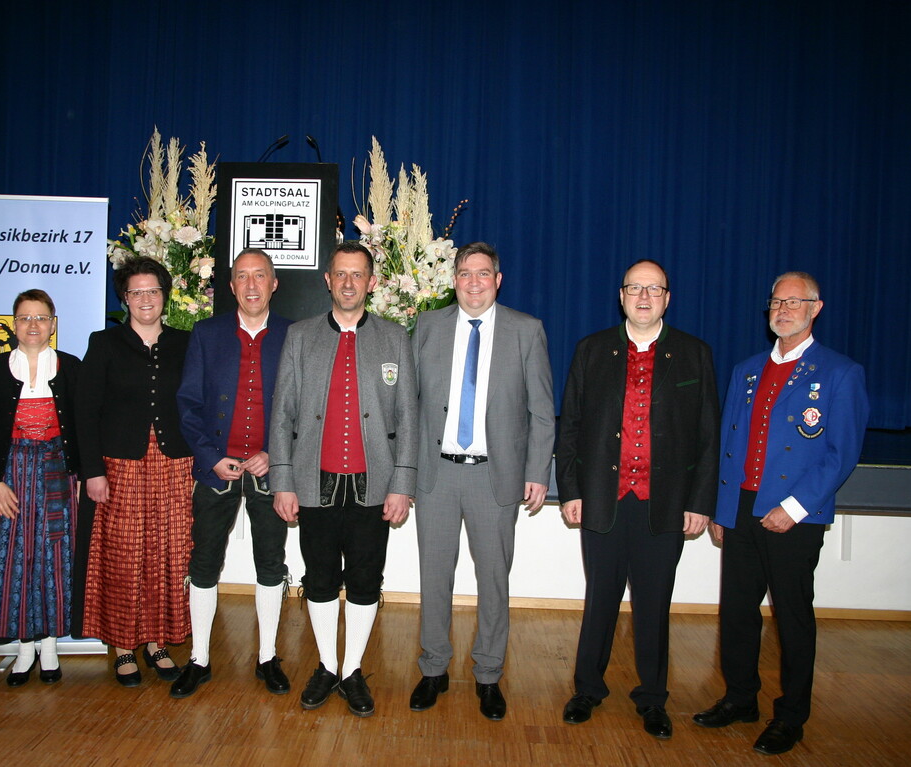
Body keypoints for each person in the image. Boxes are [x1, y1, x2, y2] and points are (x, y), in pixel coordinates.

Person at [693, 272, 868, 756]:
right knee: (737, 611)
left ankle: (791, 716)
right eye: (777, 301)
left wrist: (792, 508)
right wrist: (722, 510)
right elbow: (729, 443)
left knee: (792, 617)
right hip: (742, 508)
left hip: (795, 514)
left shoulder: (839, 373)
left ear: (817, 308)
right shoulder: (747, 370)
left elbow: (841, 453)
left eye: (796, 301)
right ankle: (740, 698)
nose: (784, 309)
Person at [555, 260, 719, 738]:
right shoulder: (592, 350)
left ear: (667, 298)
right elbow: (570, 428)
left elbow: (708, 436)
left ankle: (652, 698)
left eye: (654, 289)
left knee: (654, 605)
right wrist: (572, 491)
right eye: (634, 288)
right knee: (599, 601)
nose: (644, 297)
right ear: (621, 296)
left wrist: (700, 501)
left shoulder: (694, 354)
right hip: (603, 499)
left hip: (665, 504)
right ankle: (587, 688)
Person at [269, 242, 418, 717]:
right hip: (315, 483)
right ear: (327, 280)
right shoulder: (300, 336)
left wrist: (402, 483)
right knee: (318, 578)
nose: (349, 283)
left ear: (372, 283)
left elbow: (409, 418)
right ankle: (327, 667)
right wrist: (283, 479)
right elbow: (283, 413)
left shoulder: (396, 339)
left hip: (374, 486)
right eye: (341, 274)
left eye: (358, 275)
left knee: (364, 579)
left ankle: (353, 669)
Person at [409, 242, 555, 721]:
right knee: (434, 577)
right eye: (466, 273)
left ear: (498, 278)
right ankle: (433, 668)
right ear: (454, 279)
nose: (474, 282)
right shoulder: (428, 327)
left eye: (484, 274)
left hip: (496, 477)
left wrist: (536, 473)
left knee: (493, 580)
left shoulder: (526, 330)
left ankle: (489, 674)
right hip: (436, 475)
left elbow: (541, 412)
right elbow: (407, 406)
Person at [172, 249, 293, 698]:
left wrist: (274, 453)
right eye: (242, 277)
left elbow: (302, 409)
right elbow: (188, 405)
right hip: (216, 469)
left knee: (271, 564)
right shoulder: (206, 334)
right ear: (231, 286)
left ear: (273, 283)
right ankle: (199, 659)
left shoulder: (293, 335)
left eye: (259, 276)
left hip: (268, 468)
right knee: (204, 562)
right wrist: (209, 457)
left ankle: (267, 658)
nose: (251, 285)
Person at [75, 256, 194, 687]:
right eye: (136, 292)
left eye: (153, 291)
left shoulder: (185, 342)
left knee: (168, 553)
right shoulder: (104, 343)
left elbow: (195, 405)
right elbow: (84, 412)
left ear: (165, 296)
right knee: (124, 558)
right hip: (119, 467)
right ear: (124, 298)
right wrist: (92, 471)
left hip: (174, 464)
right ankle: (124, 646)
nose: (146, 299)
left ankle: (157, 643)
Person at [0, 289, 80, 686]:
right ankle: (23, 647)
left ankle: (48, 646)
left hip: (55, 473)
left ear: (52, 324)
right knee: (13, 559)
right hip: (9, 473)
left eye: (41, 317)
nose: (33, 325)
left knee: (53, 558)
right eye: (25, 318)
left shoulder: (70, 368)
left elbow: (82, 427)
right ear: (13, 325)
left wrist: (79, 475)